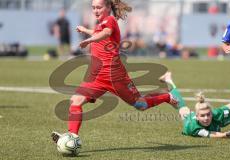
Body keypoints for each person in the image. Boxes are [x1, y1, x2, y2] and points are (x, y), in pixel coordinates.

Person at [51, 0, 178, 145]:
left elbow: (105, 33)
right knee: (76, 100)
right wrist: (86, 31)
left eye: (99, 7)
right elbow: (100, 32)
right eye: (93, 7)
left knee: (140, 105)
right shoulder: (101, 23)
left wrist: (89, 40)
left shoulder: (110, 20)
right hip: (97, 76)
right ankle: (72, 136)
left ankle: (167, 96)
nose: (95, 10)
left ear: (108, 7)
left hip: (114, 75)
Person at [160, 72, 230, 138]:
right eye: (202, 115)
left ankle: (167, 79)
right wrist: (228, 134)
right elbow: (211, 134)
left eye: (208, 114)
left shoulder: (217, 114)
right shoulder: (192, 127)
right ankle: (168, 79)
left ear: (211, 113)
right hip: (188, 118)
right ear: (197, 116)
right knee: (180, 105)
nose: (206, 118)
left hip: (205, 119)